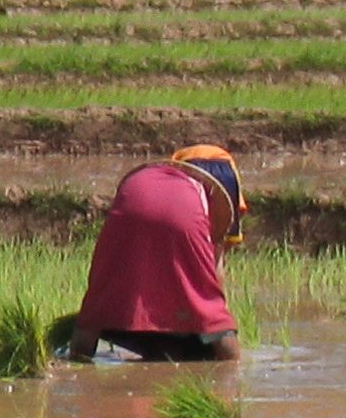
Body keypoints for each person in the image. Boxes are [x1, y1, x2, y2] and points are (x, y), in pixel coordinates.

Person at [67, 148, 246, 362]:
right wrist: (218, 310)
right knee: (209, 311)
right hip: (186, 205)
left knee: (102, 295)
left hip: (134, 192)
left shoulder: (164, 174)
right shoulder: (216, 182)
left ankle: (78, 357)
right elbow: (215, 265)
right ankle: (234, 372)